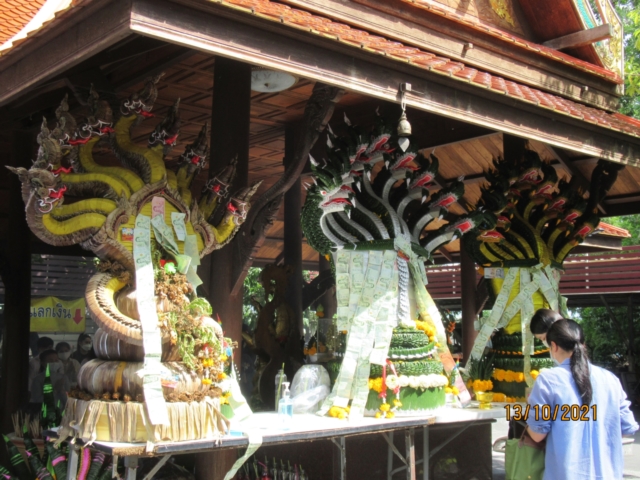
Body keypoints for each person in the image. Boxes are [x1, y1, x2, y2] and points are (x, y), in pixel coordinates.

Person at [526, 319, 638, 479]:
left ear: (554, 346)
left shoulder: (548, 379)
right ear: (583, 345)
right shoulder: (610, 379)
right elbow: (627, 427)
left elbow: (538, 434)